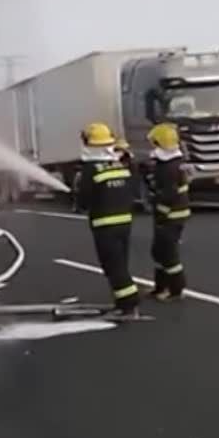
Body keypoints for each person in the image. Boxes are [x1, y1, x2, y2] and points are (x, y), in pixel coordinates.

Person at [74, 122, 140, 316]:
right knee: (120, 263)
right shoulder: (119, 164)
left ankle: (129, 303)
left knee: (112, 265)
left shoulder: (90, 170)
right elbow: (132, 189)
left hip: (104, 225)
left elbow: (85, 201)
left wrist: (78, 199)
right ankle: (123, 302)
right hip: (124, 223)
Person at [146, 122, 191, 301]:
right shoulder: (174, 163)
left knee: (167, 253)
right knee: (158, 251)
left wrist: (161, 213)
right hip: (175, 213)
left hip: (171, 215)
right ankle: (160, 287)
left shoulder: (168, 167)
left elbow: (169, 195)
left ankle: (176, 289)